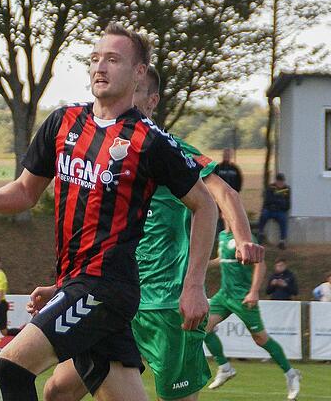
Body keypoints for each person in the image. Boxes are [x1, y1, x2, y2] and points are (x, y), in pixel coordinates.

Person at [0, 22, 224, 401]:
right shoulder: (62, 122)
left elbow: (206, 205)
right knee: (59, 395)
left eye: (113, 59)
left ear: (138, 73)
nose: (100, 67)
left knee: (11, 367)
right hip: (79, 285)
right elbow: (24, 191)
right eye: (95, 59)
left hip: (106, 288)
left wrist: (195, 285)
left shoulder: (150, 142)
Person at [43, 67, 264, 401]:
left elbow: (223, 193)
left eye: (133, 93)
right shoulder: (103, 152)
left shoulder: (168, 149)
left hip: (166, 304)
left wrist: (243, 238)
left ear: (151, 101)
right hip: (114, 297)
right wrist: (65, 286)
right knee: (57, 390)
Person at [203, 213, 301, 400]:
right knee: (203, 328)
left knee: (260, 339)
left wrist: (254, 291)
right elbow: (221, 260)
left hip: (242, 296)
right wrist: (201, 264)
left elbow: (260, 265)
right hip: (224, 295)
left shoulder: (246, 238)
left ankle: (291, 373)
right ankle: (225, 368)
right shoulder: (223, 236)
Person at [258, 173, 291, 249]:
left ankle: (282, 241)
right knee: (264, 215)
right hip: (270, 210)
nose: (280, 183)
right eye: (279, 181)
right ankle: (260, 233)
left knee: (283, 220)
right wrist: (279, 201)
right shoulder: (271, 188)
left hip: (280, 211)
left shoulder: (287, 189)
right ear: (276, 181)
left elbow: (287, 203)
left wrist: (277, 202)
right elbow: (268, 200)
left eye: (282, 181)